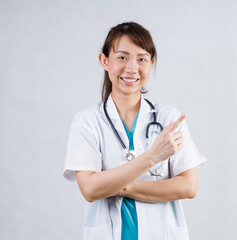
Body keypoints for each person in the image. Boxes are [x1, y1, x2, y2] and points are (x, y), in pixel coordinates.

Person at [63, 22, 206, 240]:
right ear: (105, 61)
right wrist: (153, 157)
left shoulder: (168, 118)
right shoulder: (88, 122)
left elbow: (188, 186)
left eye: (141, 59)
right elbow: (90, 190)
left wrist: (119, 186)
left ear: (151, 64)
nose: (131, 68)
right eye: (122, 57)